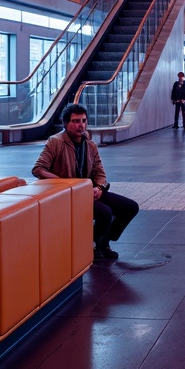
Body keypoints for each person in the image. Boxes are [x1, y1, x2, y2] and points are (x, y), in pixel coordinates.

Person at [33, 103, 139, 260]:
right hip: (69, 193)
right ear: (65, 123)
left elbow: (100, 172)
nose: (80, 125)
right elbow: (38, 169)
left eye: (83, 121)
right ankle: (93, 245)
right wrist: (67, 184)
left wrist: (99, 188)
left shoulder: (90, 145)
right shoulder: (55, 142)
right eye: (75, 121)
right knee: (105, 213)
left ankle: (104, 241)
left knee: (130, 207)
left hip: (89, 191)